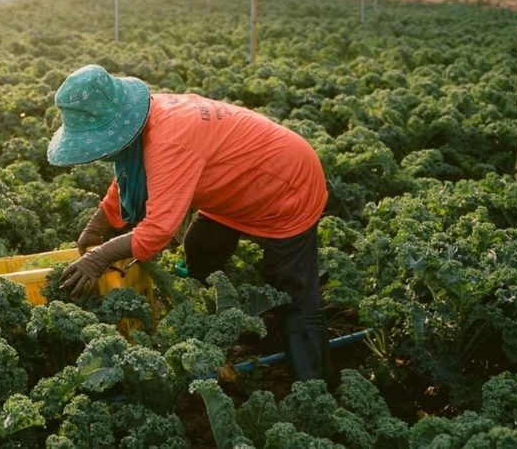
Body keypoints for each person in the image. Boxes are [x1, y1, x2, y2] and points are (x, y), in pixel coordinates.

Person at [47, 64, 332, 382]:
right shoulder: (146, 119)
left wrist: (98, 258)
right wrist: (98, 224)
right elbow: (130, 175)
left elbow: (158, 231)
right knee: (201, 250)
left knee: (291, 286)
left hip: (286, 184)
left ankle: (315, 382)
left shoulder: (169, 140)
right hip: (231, 189)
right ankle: (217, 318)